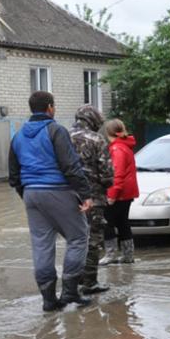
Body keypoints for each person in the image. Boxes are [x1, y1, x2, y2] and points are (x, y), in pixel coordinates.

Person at [8, 91, 94, 311]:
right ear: (49, 107)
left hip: (31, 194)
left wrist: (26, 194)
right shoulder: (56, 130)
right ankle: (70, 292)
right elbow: (70, 166)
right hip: (57, 190)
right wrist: (85, 194)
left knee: (41, 245)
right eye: (54, 106)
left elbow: (13, 175)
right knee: (78, 237)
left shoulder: (17, 136)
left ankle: (48, 299)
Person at [69, 105, 114, 294]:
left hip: (67, 197)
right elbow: (106, 173)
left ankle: (73, 279)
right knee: (93, 239)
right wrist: (106, 184)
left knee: (75, 239)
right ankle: (89, 282)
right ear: (93, 120)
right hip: (94, 197)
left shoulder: (63, 136)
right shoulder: (97, 139)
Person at [101, 119, 139, 265]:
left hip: (119, 194)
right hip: (127, 193)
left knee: (108, 222)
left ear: (108, 133)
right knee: (123, 222)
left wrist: (112, 195)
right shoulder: (125, 146)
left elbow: (117, 174)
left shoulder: (117, 149)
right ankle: (128, 255)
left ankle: (110, 254)